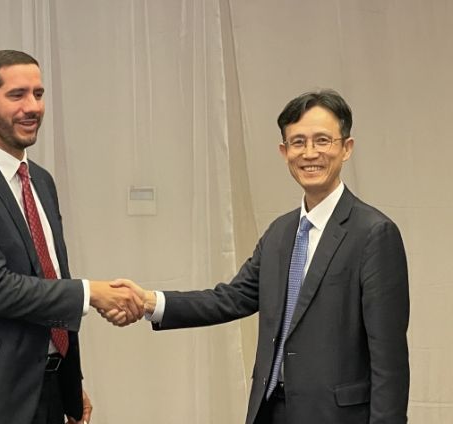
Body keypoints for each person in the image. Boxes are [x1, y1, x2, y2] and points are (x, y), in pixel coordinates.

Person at [109, 90, 410, 423]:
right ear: (284, 151)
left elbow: (390, 359)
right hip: (270, 411)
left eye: (322, 140)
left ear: (346, 148)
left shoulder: (373, 234)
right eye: (298, 142)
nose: (310, 153)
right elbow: (231, 298)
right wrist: (149, 301)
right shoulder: (280, 233)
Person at [0, 49, 143, 424]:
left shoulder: (40, 180)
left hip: (47, 385)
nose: (33, 107)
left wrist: (67, 381)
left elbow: (48, 276)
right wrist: (91, 293)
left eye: (38, 94)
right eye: (17, 95)